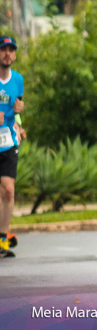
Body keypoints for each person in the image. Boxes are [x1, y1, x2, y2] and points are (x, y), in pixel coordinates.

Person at [0, 35, 24, 259]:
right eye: (3, 49)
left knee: (8, 189)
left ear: (14, 55)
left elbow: (16, 110)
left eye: (11, 50)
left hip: (7, 140)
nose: (7, 53)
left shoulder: (18, 80)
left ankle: (2, 239)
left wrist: (20, 124)